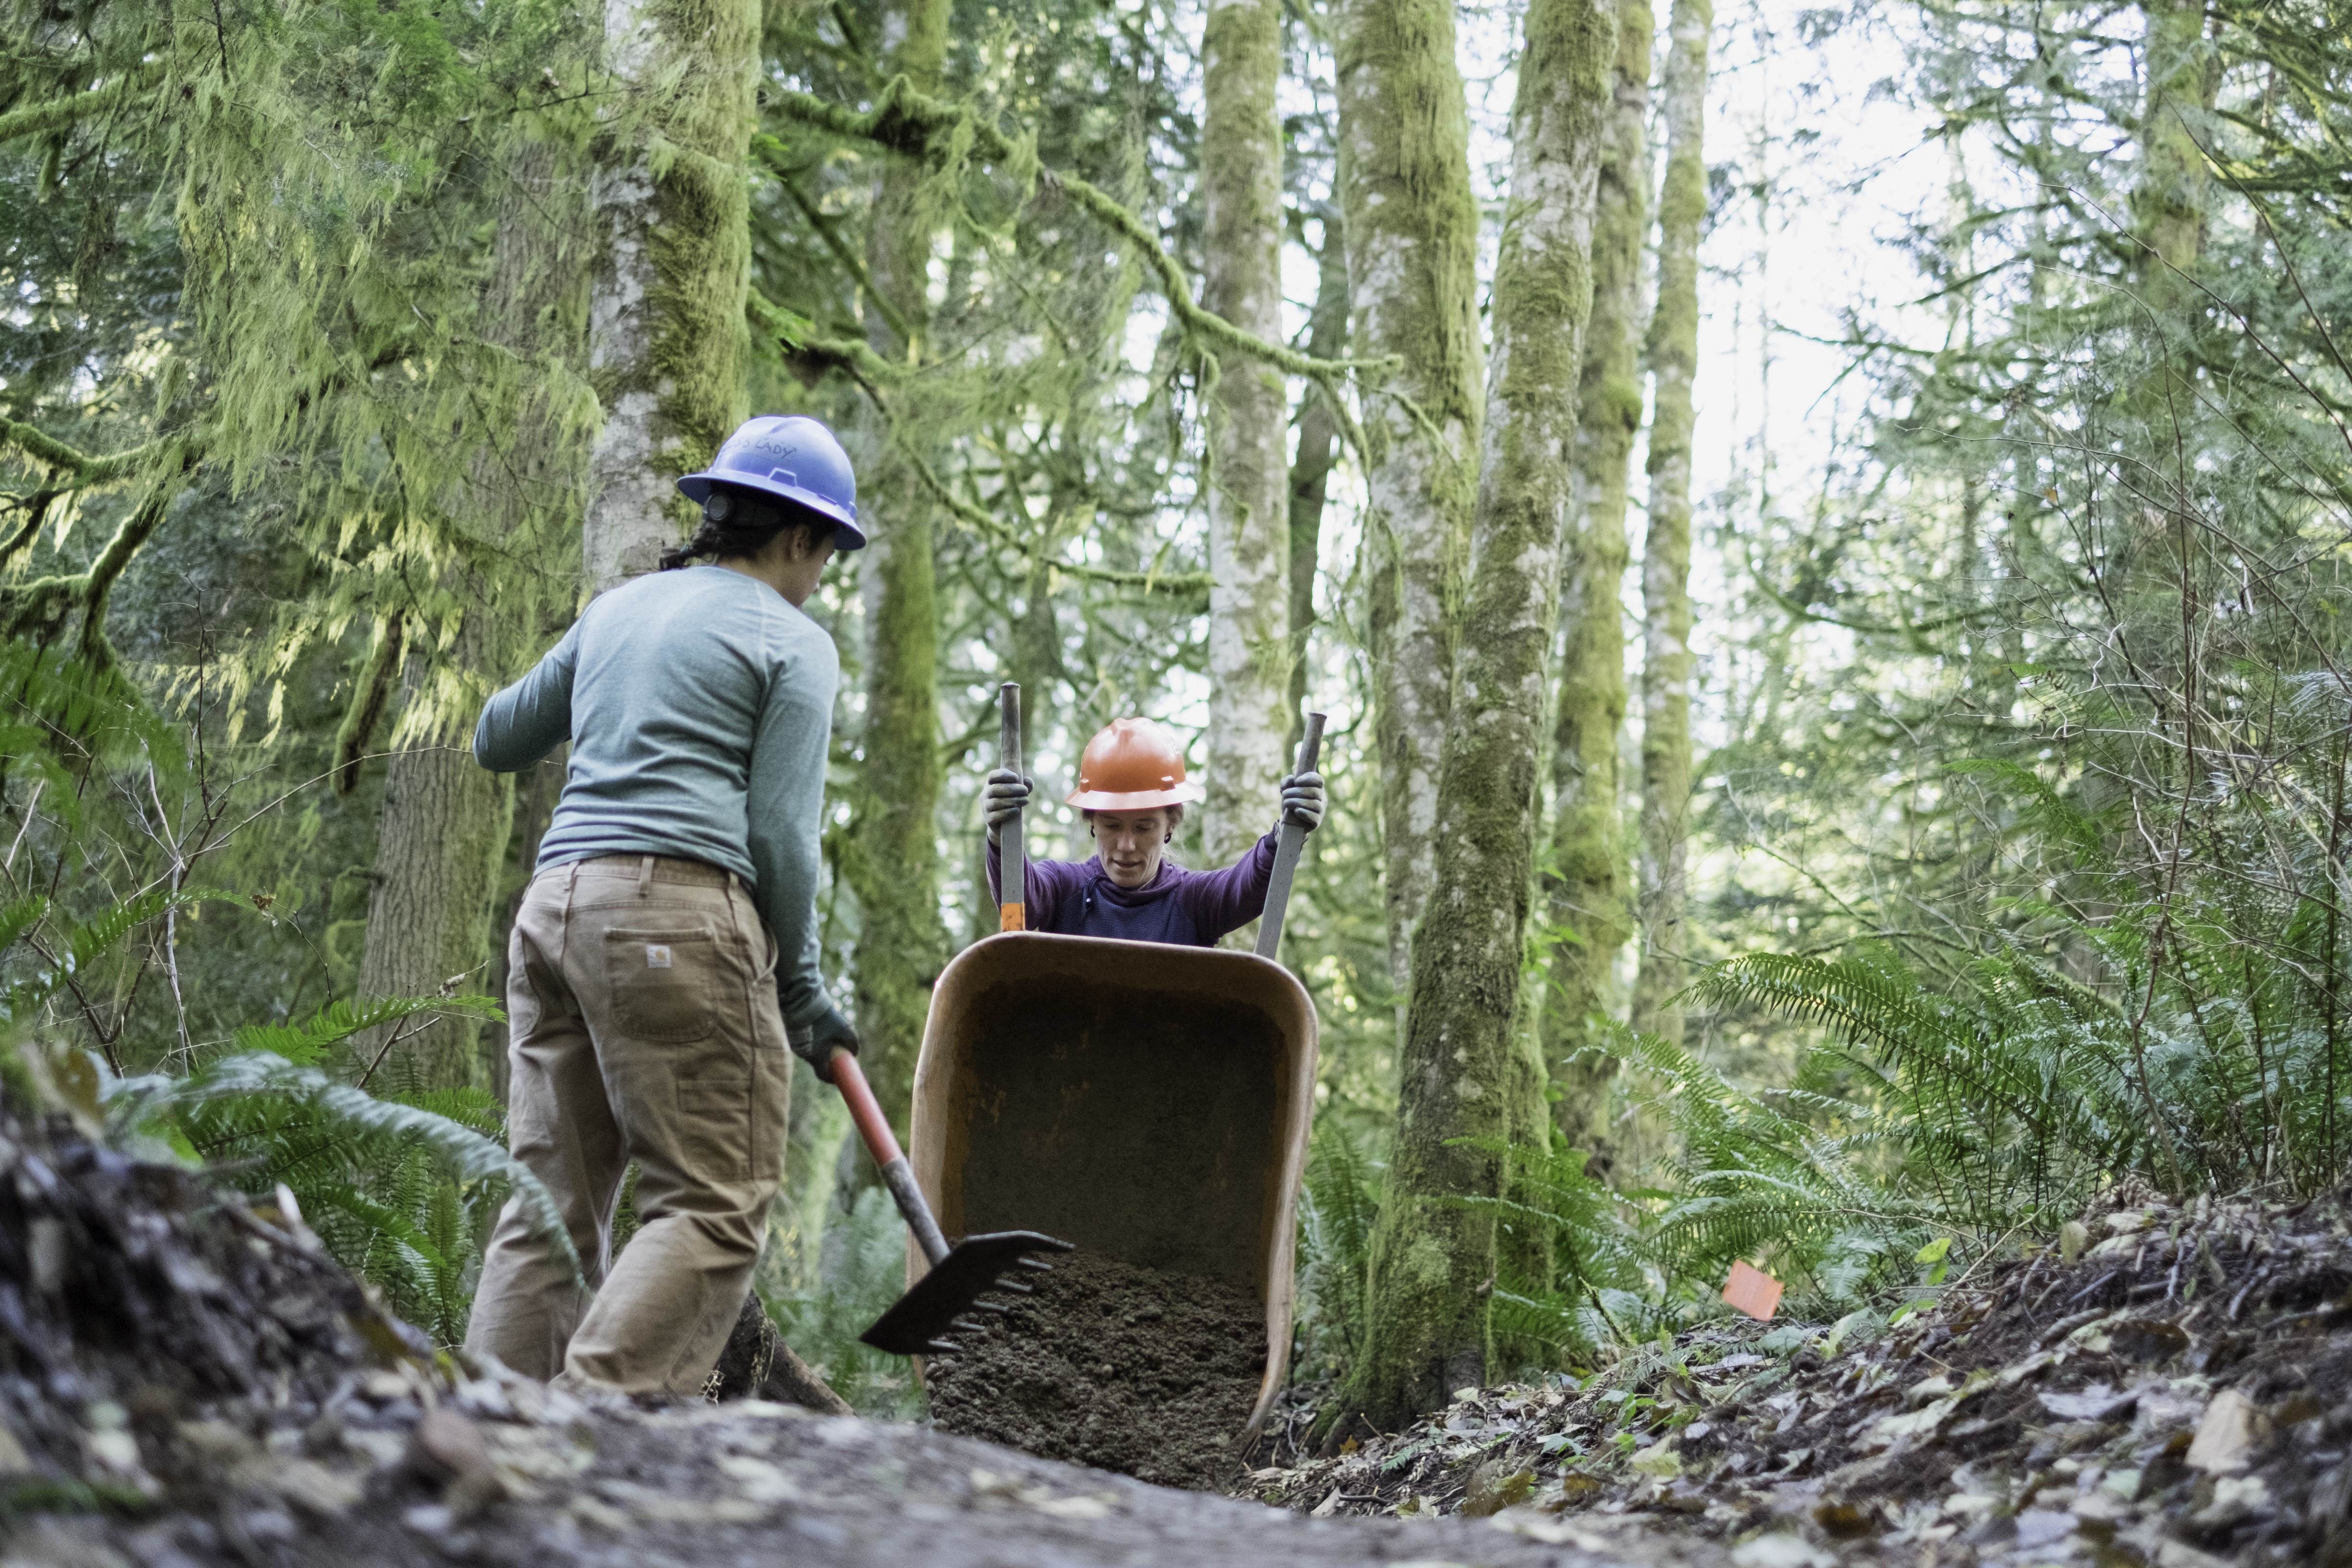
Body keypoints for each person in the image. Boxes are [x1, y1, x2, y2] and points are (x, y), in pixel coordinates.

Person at [463, 414, 864, 1399]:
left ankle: (480, 1433)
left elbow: (497, 737)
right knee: (717, 1201)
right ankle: (592, 1422)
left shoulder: (619, 610)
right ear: (803, 538)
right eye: (828, 555)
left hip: (556, 912)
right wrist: (801, 988)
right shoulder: (793, 642)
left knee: (548, 1207)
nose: (821, 577)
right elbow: (777, 834)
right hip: (677, 919)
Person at [980, 717, 1324, 944]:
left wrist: (1288, 835)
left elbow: (1245, 886)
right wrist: (1000, 836)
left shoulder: (1194, 901)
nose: (1126, 846)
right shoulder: (1062, 889)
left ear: (1171, 823)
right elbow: (1018, 906)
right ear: (1091, 822)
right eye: (1111, 826)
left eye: (1144, 827)